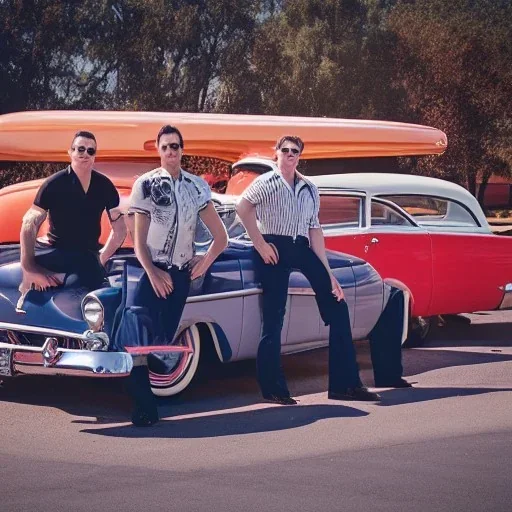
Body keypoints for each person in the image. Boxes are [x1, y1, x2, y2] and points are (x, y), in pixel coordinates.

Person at [237, 135, 410, 405]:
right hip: (273, 246)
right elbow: (242, 207)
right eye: (285, 150)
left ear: (300, 156)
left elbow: (315, 230)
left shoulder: (308, 187)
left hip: (301, 245)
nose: (290, 154)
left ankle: (345, 385)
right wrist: (260, 244)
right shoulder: (265, 183)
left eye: (295, 151)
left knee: (337, 305)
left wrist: (328, 275)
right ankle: (273, 389)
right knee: (274, 318)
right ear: (277, 153)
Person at [123, 124, 228, 426]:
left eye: (175, 146)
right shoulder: (146, 184)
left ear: (183, 150)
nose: (171, 151)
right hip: (153, 271)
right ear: (158, 150)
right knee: (141, 340)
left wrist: (205, 262)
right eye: (165, 146)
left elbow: (221, 237)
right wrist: (153, 272)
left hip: (181, 275)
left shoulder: (197, 187)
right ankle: (145, 409)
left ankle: (139, 391)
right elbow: (138, 242)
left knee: (162, 341)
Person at [20, 131, 126, 295]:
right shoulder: (54, 184)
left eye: (91, 151)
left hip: (88, 254)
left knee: (92, 290)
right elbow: (29, 222)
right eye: (80, 149)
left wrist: (102, 258)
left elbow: (120, 230)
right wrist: (29, 267)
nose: (85, 154)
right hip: (57, 251)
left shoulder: (105, 186)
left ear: (95, 155)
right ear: (70, 152)